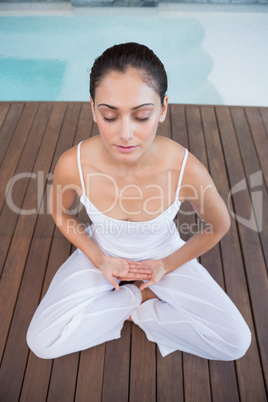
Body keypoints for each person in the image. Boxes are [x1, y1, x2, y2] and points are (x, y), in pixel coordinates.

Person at [27, 42, 251, 360]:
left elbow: (218, 225)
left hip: (162, 254)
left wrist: (166, 265)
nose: (126, 134)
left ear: (162, 109)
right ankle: (131, 300)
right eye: (109, 116)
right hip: (101, 252)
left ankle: (142, 310)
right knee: (41, 342)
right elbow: (60, 213)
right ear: (92, 108)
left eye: (142, 116)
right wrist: (99, 258)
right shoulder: (73, 163)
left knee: (235, 342)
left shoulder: (185, 168)